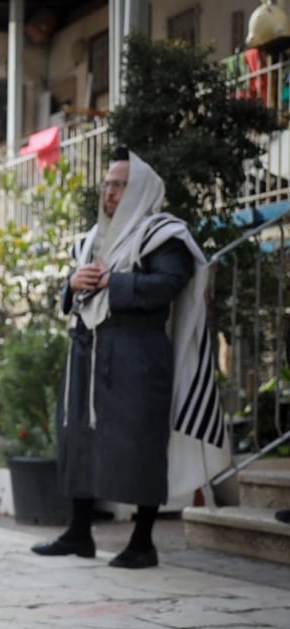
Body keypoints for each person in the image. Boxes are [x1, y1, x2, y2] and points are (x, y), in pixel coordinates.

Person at [32, 147, 230, 568]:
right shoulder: (92, 239)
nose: (109, 193)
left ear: (138, 189)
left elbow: (169, 284)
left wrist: (113, 283)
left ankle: (143, 542)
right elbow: (75, 294)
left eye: (119, 185)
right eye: (106, 185)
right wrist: (73, 284)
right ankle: (79, 532)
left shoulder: (163, 234)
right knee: (78, 437)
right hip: (87, 350)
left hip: (137, 354)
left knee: (140, 442)